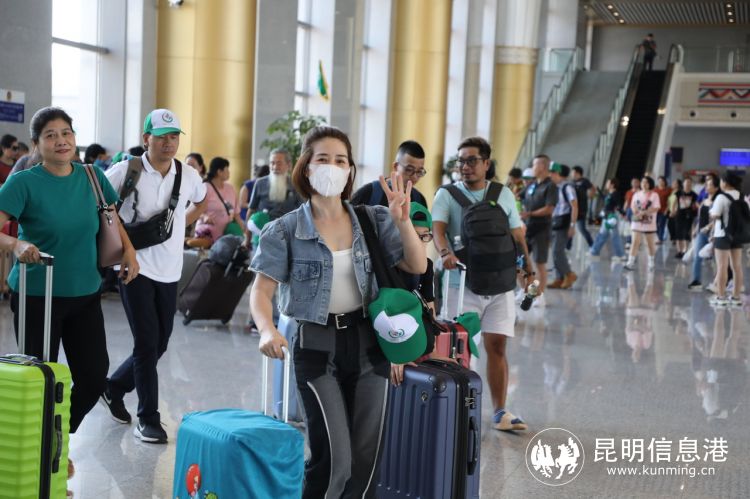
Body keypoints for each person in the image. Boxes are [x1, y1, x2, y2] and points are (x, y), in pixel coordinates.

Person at [250, 125, 426, 498]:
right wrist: (267, 329)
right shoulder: (284, 230)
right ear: (306, 166)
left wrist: (403, 220)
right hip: (316, 344)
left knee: (365, 459)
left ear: (350, 170)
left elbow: (417, 265)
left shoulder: (373, 219)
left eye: (341, 160)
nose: (333, 166)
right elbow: (261, 291)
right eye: (323, 159)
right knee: (333, 459)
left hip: (369, 343)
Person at [0, 107, 139, 494]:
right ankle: (42, 455)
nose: (60, 141)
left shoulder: (92, 177)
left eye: (66, 133)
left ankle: (55, 438)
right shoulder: (24, 183)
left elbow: (112, 219)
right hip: (38, 295)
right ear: (36, 144)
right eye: (50, 135)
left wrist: (129, 251)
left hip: (85, 292)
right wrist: (16, 244)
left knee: (93, 376)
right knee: (40, 380)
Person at [100, 109, 207, 444]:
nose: (168, 143)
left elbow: (201, 202)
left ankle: (113, 387)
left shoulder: (188, 175)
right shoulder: (126, 170)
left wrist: (178, 226)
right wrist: (125, 248)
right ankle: (148, 419)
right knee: (147, 342)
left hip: (169, 270)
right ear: (146, 138)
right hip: (134, 268)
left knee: (159, 342)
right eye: (161, 137)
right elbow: (102, 206)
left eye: (174, 137)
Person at [432, 136, 532, 432]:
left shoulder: (503, 194)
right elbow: (438, 230)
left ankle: (500, 411)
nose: (465, 166)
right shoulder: (447, 194)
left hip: (501, 283)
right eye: (461, 161)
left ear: (486, 163)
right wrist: (445, 253)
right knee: (459, 347)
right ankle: (457, 408)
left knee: (497, 346)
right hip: (461, 282)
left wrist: (527, 271)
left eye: (472, 160)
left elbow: (517, 236)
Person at [351, 139, 429, 207]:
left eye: (419, 171)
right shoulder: (369, 193)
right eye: (409, 169)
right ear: (396, 166)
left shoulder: (419, 201)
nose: (414, 177)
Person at [521, 154, 558, 297]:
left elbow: (549, 208)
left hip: (541, 229)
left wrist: (529, 213)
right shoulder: (532, 185)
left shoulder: (550, 186)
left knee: (539, 263)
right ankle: (525, 290)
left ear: (542, 166)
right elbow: (518, 196)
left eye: (534, 165)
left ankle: (539, 295)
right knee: (521, 262)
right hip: (527, 228)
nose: (532, 168)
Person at [245, 148, 302, 238]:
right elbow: (251, 210)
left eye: (279, 163)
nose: (275, 167)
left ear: (289, 165)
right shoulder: (260, 183)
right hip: (261, 234)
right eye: (272, 163)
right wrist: (247, 238)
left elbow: (302, 212)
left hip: (286, 235)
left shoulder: (296, 185)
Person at [708, 173, 745, 308]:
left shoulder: (721, 197)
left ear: (725, 182)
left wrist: (711, 212)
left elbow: (715, 215)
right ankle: (736, 297)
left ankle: (721, 297)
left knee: (722, 266)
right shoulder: (742, 196)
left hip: (722, 234)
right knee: (737, 266)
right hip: (737, 235)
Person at [190, 157, 243, 247]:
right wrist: (204, 216)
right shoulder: (205, 187)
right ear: (219, 172)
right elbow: (194, 209)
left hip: (226, 235)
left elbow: (236, 214)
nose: (229, 173)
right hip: (207, 234)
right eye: (227, 170)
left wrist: (243, 230)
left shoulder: (230, 188)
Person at [548, 163, 578, 289]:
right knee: (555, 252)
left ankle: (569, 274)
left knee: (558, 251)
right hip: (554, 222)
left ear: (557, 174)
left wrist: (572, 225)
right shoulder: (556, 187)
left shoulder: (567, 187)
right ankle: (559, 278)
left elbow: (575, 206)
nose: (550, 175)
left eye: (552, 173)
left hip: (563, 223)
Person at [689, 173, 720, 290]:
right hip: (701, 233)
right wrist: (696, 228)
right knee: (697, 256)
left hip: (714, 234)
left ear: (716, 188)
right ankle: (696, 280)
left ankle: (717, 283)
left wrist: (708, 227)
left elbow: (718, 218)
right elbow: (700, 217)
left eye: (710, 185)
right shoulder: (705, 200)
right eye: (706, 184)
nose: (707, 187)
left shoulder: (718, 201)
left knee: (716, 260)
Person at [624, 176, 660, 271]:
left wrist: (645, 212)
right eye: (642, 182)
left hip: (649, 222)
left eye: (646, 182)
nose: (644, 184)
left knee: (649, 243)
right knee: (635, 242)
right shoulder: (636, 194)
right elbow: (632, 205)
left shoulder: (654, 195)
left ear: (650, 184)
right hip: (637, 221)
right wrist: (636, 212)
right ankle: (630, 262)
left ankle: (651, 261)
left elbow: (656, 207)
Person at [589, 178, 626, 260]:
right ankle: (594, 251)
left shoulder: (615, 194)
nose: (606, 184)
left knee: (614, 236)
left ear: (612, 185)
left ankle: (620, 255)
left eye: (608, 183)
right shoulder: (610, 194)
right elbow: (604, 198)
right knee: (602, 235)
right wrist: (598, 190)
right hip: (606, 217)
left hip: (612, 218)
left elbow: (619, 205)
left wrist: (623, 213)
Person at [674, 177, 698, 259]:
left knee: (686, 233)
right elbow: (675, 202)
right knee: (678, 233)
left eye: (689, 183)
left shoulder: (694, 195)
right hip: (679, 215)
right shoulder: (678, 193)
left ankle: (685, 250)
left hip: (689, 216)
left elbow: (695, 205)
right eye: (686, 183)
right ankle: (679, 251)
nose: (688, 184)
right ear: (683, 184)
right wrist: (673, 210)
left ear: (691, 184)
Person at [570, 166, 594, 247]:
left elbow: (592, 188)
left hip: (581, 209)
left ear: (577, 173)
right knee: (570, 227)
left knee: (582, 229)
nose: (571, 174)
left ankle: (592, 245)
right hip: (572, 209)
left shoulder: (584, 181)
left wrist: (589, 196)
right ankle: (567, 246)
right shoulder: (572, 182)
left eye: (572, 172)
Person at [653, 176, 672, 243]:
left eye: (662, 181)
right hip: (655, 210)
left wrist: (667, 209)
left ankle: (660, 238)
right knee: (655, 224)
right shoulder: (655, 190)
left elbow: (670, 201)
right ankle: (657, 237)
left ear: (664, 182)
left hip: (664, 210)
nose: (660, 182)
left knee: (661, 224)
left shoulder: (668, 190)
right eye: (659, 181)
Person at [667, 178, 681, 243]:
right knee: (670, 225)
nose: (672, 184)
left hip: (675, 211)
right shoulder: (672, 192)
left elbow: (677, 202)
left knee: (674, 225)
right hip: (670, 210)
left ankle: (675, 238)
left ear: (678, 185)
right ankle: (673, 237)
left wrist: (674, 211)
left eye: (674, 183)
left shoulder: (679, 192)